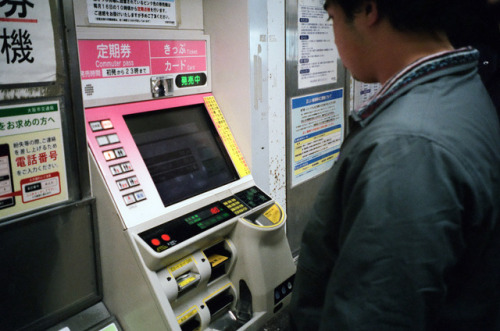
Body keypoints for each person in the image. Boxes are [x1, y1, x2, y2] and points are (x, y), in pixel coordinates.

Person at [289, 0, 500, 330]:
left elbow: (376, 314)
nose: (333, 37)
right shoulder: (461, 89)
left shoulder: (408, 146)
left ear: (368, 10)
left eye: (332, 18)